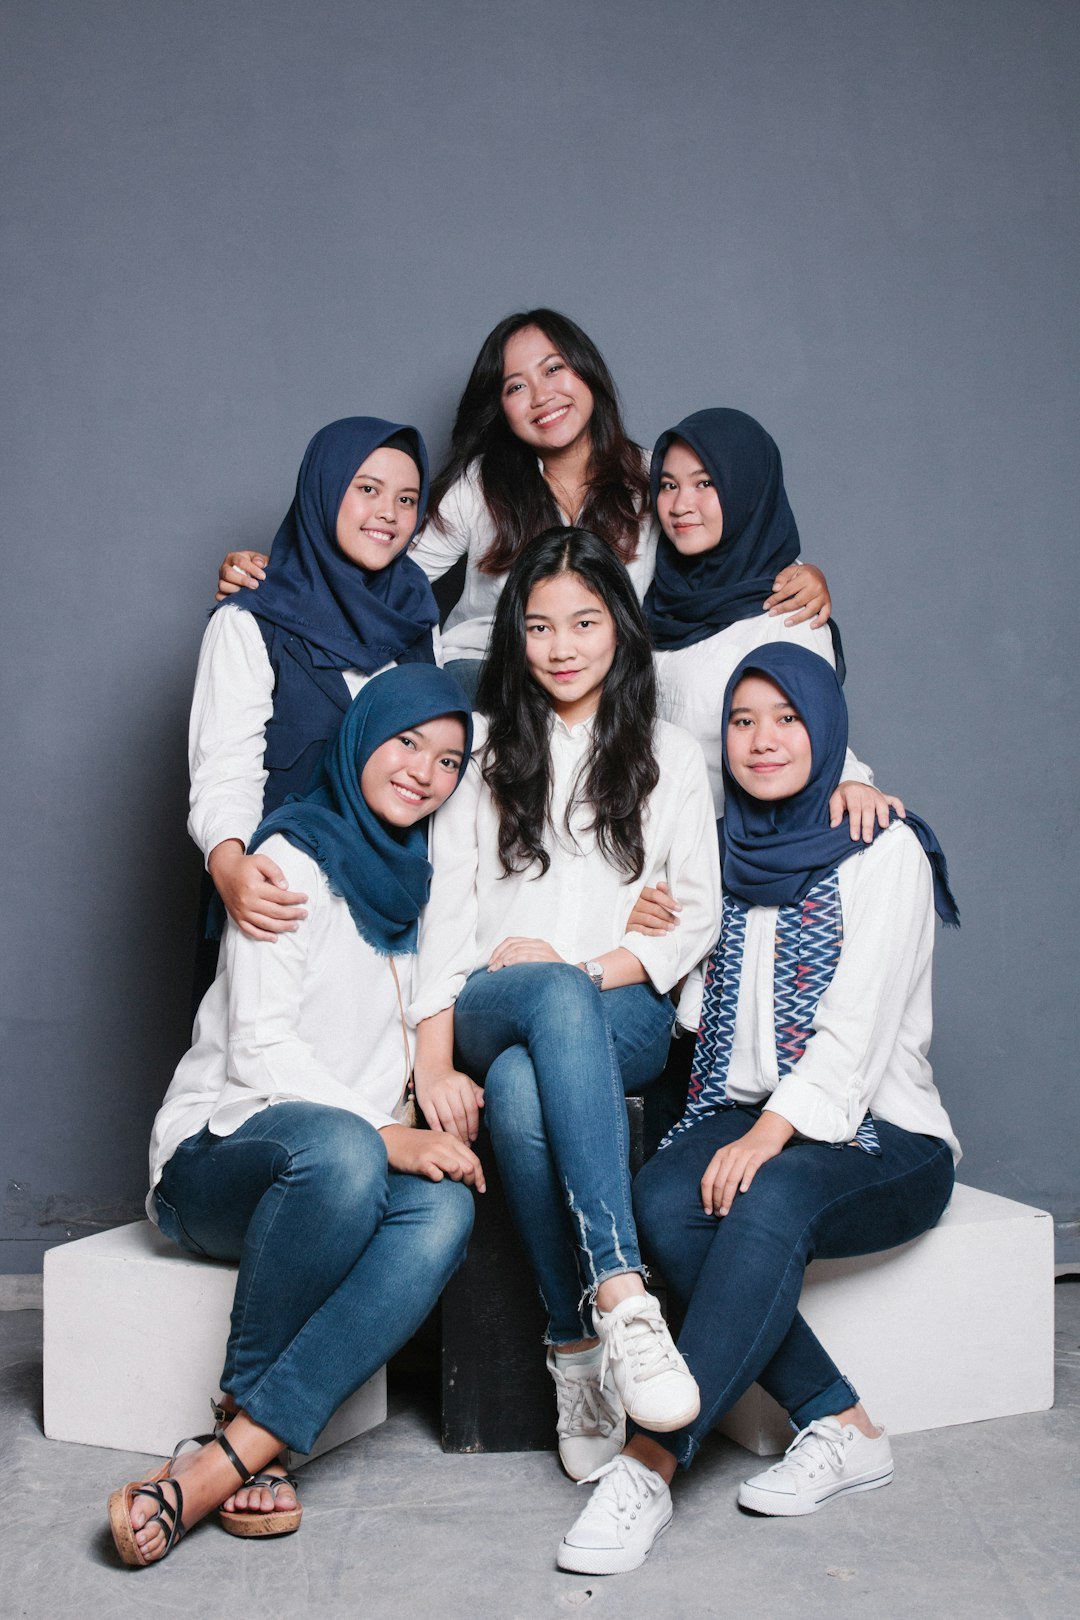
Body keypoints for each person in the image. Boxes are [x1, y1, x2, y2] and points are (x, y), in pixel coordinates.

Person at [556, 643, 960, 1574]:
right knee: (663, 1201)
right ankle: (843, 1422)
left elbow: (852, 1039)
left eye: (787, 719)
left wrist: (773, 1134)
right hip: (750, 1115)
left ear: (824, 733)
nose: (763, 739)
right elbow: (703, 1010)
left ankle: (649, 1467)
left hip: (884, 1135)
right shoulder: (725, 850)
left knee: (763, 1198)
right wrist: (653, 920)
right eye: (743, 721)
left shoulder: (881, 848)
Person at [108, 666, 482, 1567]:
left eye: (447, 760)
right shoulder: (290, 862)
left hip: (337, 1176)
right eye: (405, 743)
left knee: (448, 1209)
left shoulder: (423, 885)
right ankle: (244, 1410)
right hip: (221, 1159)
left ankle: (235, 1457)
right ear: (360, 739)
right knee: (350, 1152)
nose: (424, 773)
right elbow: (260, 1053)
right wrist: (391, 1132)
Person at [409, 527, 722, 1482]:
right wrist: (429, 1061)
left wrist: (587, 963)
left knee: (516, 1087)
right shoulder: (488, 750)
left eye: (585, 622)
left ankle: (573, 1347)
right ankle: (624, 1293)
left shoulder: (667, 752)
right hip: (492, 998)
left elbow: (696, 911)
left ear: (620, 630)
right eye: (540, 626)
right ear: (516, 637)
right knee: (532, 1010)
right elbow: (444, 914)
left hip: (616, 1007)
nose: (562, 646)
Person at [213, 315, 832, 702]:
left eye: (554, 369)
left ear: (588, 374)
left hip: (603, 688)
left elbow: (730, 539)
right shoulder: (481, 483)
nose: (541, 396)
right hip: (485, 679)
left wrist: (803, 574)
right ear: (500, 407)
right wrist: (288, 574)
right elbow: (385, 556)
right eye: (515, 386)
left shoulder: (653, 478)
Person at [190, 416, 440, 952]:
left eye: (406, 498)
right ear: (323, 491)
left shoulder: (415, 616)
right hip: (276, 901)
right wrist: (230, 866)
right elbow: (224, 768)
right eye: (368, 489)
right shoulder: (249, 618)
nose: (388, 513)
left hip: (388, 912)